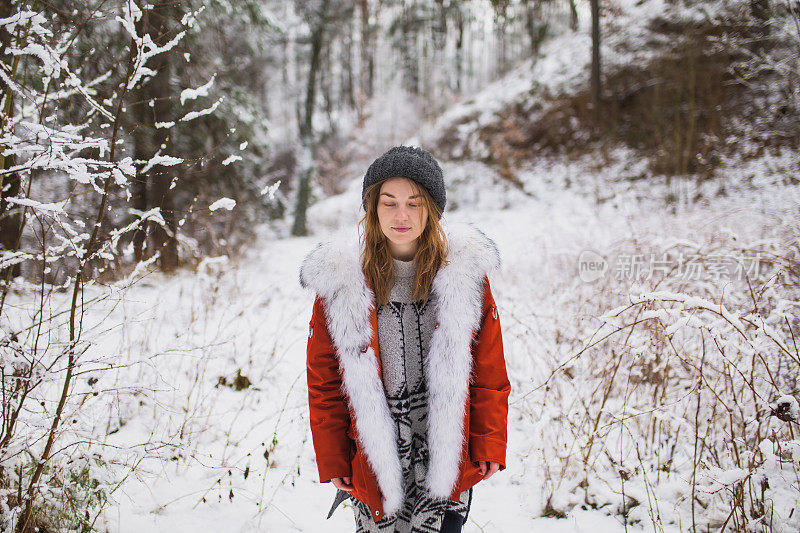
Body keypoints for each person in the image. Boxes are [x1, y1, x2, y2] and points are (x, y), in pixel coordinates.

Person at [299, 145, 510, 533]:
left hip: (445, 453)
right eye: (389, 202)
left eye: (414, 203)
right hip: (374, 459)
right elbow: (324, 381)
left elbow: (489, 369)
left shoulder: (463, 276)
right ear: (372, 208)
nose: (401, 215)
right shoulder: (342, 282)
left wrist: (490, 442)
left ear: (431, 209)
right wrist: (333, 459)